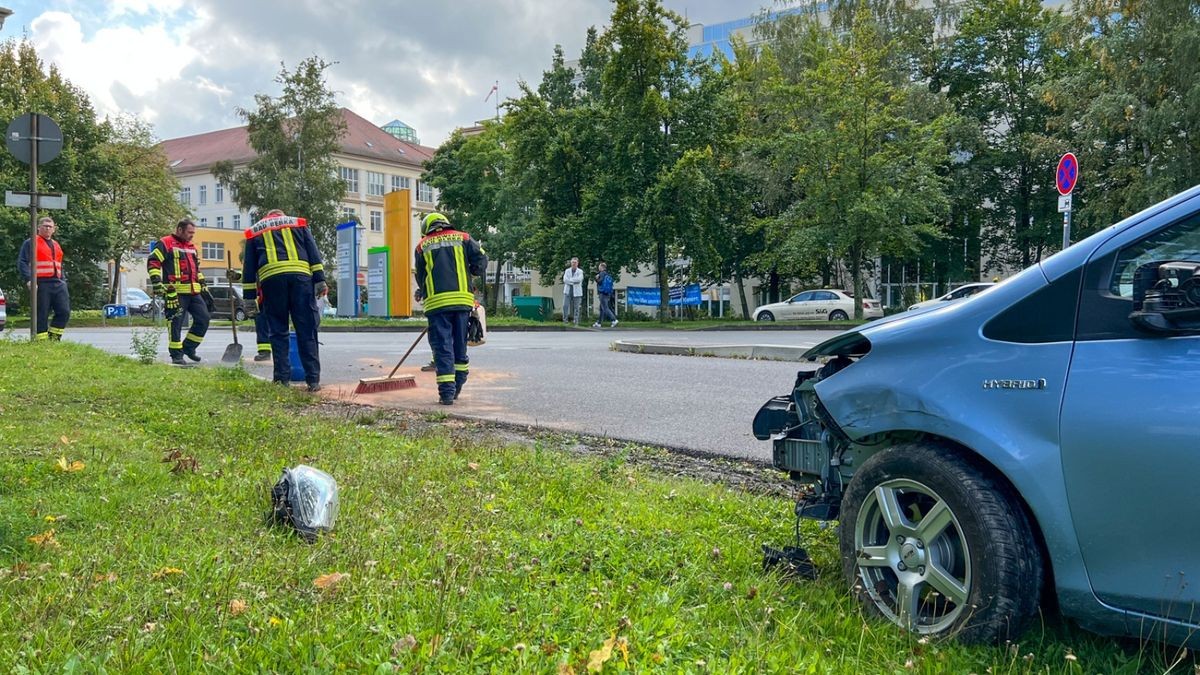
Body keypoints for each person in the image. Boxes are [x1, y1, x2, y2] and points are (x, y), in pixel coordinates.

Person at [241, 209, 326, 392]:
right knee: (306, 329)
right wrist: (320, 279)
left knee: (278, 330)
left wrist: (249, 299)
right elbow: (313, 251)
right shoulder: (297, 223)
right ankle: (313, 381)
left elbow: (249, 268)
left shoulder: (254, 231)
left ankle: (282, 380)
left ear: (267, 217)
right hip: (301, 280)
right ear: (282, 215)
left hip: (272, 282)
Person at [414, 212, 487, 405]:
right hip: (462, 302)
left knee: (442, 347)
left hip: (437, 305)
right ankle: (458, 385)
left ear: (426, 229)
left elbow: (421, 276)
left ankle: (446, 394)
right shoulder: (463, 238)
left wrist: (422, 291)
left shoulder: (422, 246)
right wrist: (473, 271)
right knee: (459, 346)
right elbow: (481, 258)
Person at [148, 219, 209, 364]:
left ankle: (188, 347)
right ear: (179, 230)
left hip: (194, 292)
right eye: (189, 232)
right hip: (175, 293)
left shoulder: (192, 246)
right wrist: (156, 282)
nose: (191, 236)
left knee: (204, 319)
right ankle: (176, 355)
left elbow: (196, 269)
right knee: (175, 323)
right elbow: (153, 262)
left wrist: (203, 284)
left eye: (193, 233)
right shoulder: (165, 243)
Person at [17, 216, 71, 340]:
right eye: (45, 226)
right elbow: (22, 262)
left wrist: (63, 280)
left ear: (54, 229)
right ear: (38, 228)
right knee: (41, 314)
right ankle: (41, 342)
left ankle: (54, 339)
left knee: (64, 312)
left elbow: (58, 264)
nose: (47, 228)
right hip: (41, 283)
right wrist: (29, 279)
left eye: (50, 226)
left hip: (58, 283)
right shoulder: (30, 242)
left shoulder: (56, 245)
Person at [593, 262, 618, 328]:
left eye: (599, 266)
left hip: (602, 292)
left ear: (601, 267)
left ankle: (614, 320)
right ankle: (599, 323)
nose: (598, 267)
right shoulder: (607, 274)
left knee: (605, 308)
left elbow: (600, 282)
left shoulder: (601, 274)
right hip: (607, 293)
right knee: (602, 308)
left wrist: (596, 278)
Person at [562, 257, 583, 326]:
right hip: (567, 291)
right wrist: (573, 281)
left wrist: (570, 280)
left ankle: (576, 321)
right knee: (565, 306)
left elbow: (579, 280)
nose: (573, 264)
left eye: (575, 262)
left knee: (576, 307)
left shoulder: (580, 271)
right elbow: (565, 280)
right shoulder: (567, 271)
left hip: (577, 292)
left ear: (577, 263)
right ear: (571, 263)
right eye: (572, 262)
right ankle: (565, 321)